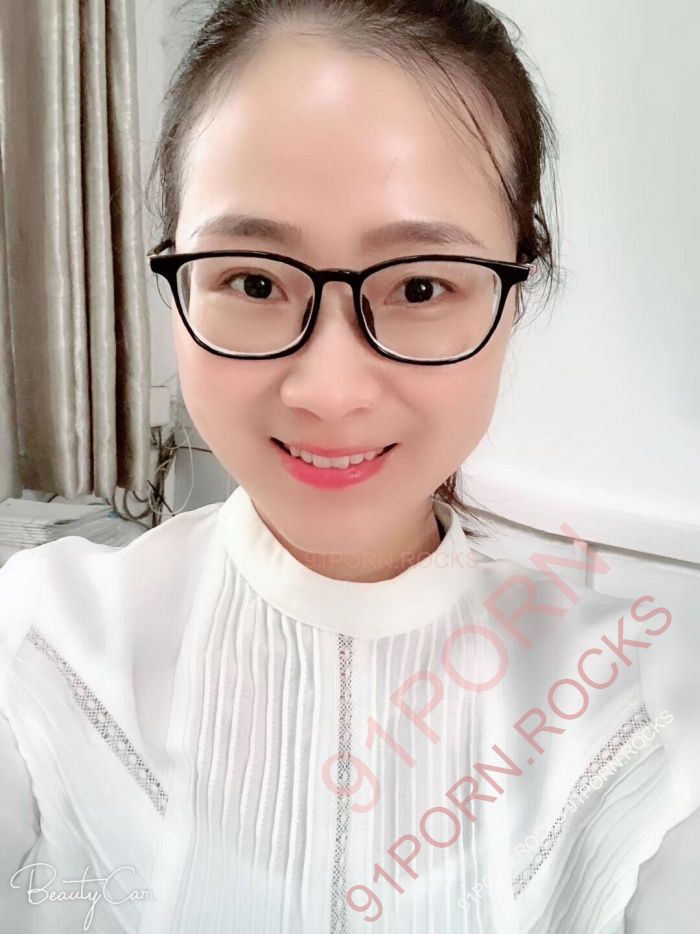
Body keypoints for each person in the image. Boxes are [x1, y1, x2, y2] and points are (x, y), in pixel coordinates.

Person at [1, 1, 698, 931]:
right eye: (253, 280)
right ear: (176, 280)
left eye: (421, 285)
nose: (329, 391)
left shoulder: (644, 711)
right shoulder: (39, 642)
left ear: (514, 296)